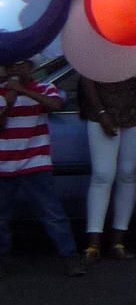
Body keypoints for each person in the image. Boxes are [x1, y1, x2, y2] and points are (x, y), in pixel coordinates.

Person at [1, 59, 85, 276]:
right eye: (11, 66)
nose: (15, 70)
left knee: (52, 213)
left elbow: (56, 105)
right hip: (4, 164)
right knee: (1, 216)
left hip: (35, 162)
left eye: (20, 65)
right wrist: (8, 101)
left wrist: (24, 92)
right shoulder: (2, 92)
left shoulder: (44, 88)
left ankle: (69, 257)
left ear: (31, 67)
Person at [79, 69, 136, 260]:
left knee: (128, 174)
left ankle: (118, 242)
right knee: (102, 174)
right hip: (101, 106)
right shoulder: (99, 40)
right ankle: (93, 244)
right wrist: (101, 113)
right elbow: (86, 74)